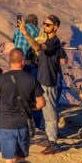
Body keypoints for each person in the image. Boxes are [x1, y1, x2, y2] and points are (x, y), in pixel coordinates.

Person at [0, 48, 45, 163]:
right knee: (21, 161)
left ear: (10, 61)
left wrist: (1, 106)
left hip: (6, 125)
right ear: (23, 62)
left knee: (9, 162)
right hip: (23, 124)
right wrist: (30, 108)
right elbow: (41, 103)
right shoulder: (31, 79)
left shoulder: (1, 79)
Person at [20, 14, 67, 151]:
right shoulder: (48, 40)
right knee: (45, 111)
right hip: (42, 79)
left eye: (48, 24)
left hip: (49, 81)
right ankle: (49, 137)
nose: (44, 27)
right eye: (44, 24)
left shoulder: (54, 42)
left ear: (56, 27)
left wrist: (25, 33)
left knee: (50, 112)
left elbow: (38, 48)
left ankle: (53, 142)